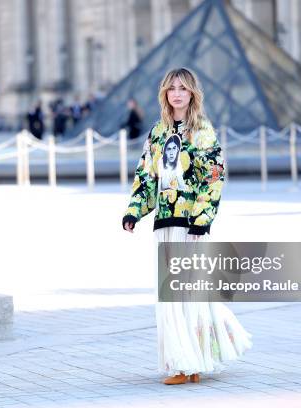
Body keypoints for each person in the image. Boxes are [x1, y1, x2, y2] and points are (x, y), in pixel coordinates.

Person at [121, 67, 253, 385]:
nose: (177, 93)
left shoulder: (203, 131)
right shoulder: (157, 132)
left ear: (192, 93)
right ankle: (186, 361)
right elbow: (146, 176)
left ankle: (188, 364)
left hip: (192, 224)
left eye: (183, 88)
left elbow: (214, 176)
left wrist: (202, 219)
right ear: (165, 94)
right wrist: (134, 212)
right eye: (171, 88)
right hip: (165, 222)